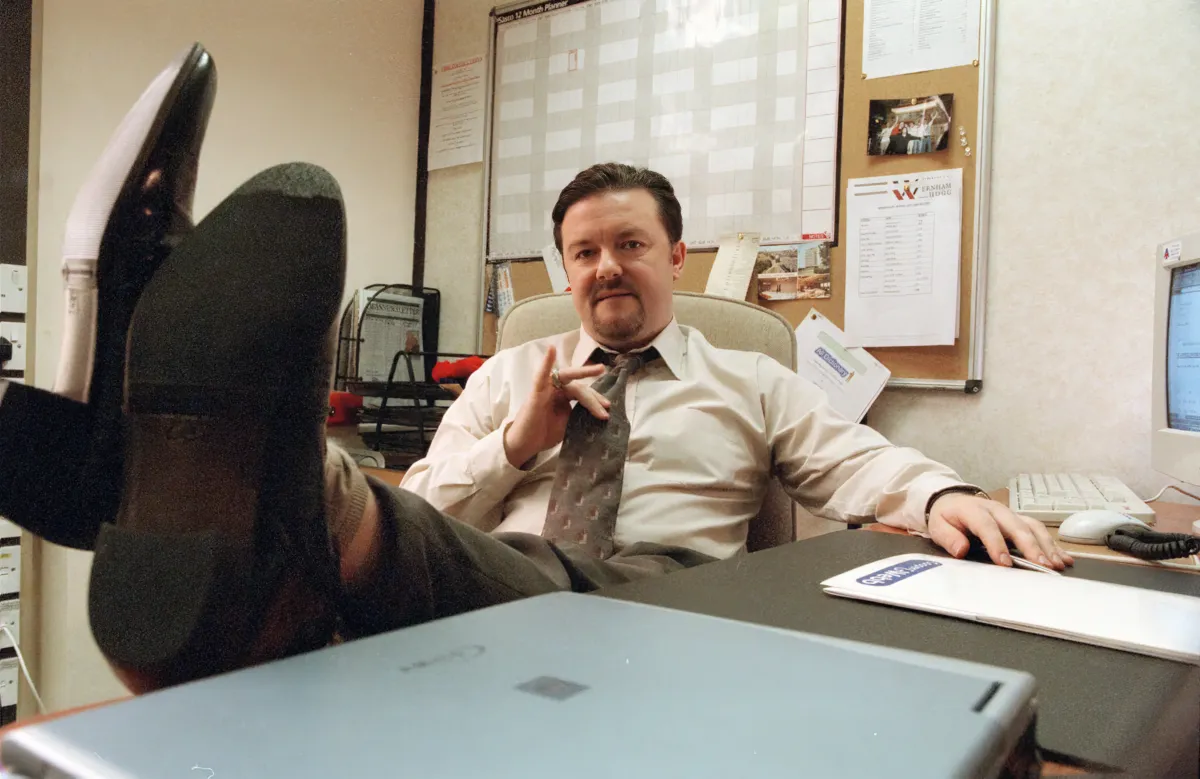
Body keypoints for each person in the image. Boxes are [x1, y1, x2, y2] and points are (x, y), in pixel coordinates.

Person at [0, 161, 1070, 695]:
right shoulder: (516, 369)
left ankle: (223, 471)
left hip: (668, 623)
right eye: (584, 252)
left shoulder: (749, 377)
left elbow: (859, 459)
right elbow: (418, 512)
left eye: (630, 245)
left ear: (675, 258)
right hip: (476, 609)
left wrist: (939, 494)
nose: (606, 268)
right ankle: (261, 498)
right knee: (422, 567)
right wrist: (512, 446)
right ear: (564, 270)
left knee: (411, 556)